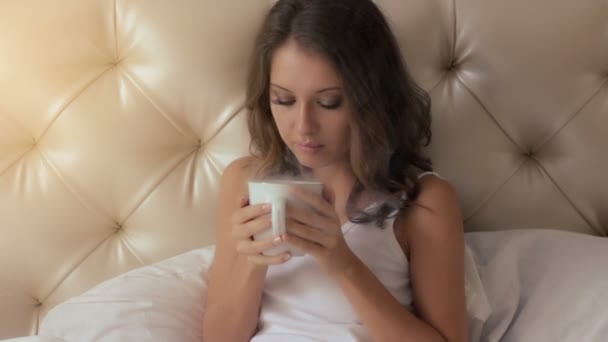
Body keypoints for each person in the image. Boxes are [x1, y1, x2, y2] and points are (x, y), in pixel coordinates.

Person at [203, 0, 467, 341]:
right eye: (283, 100)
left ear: (372, 98)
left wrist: (343, 265)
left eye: (329, 103)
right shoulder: (244, 181)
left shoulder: (423, 203)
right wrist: (253, 263)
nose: (303, 127)